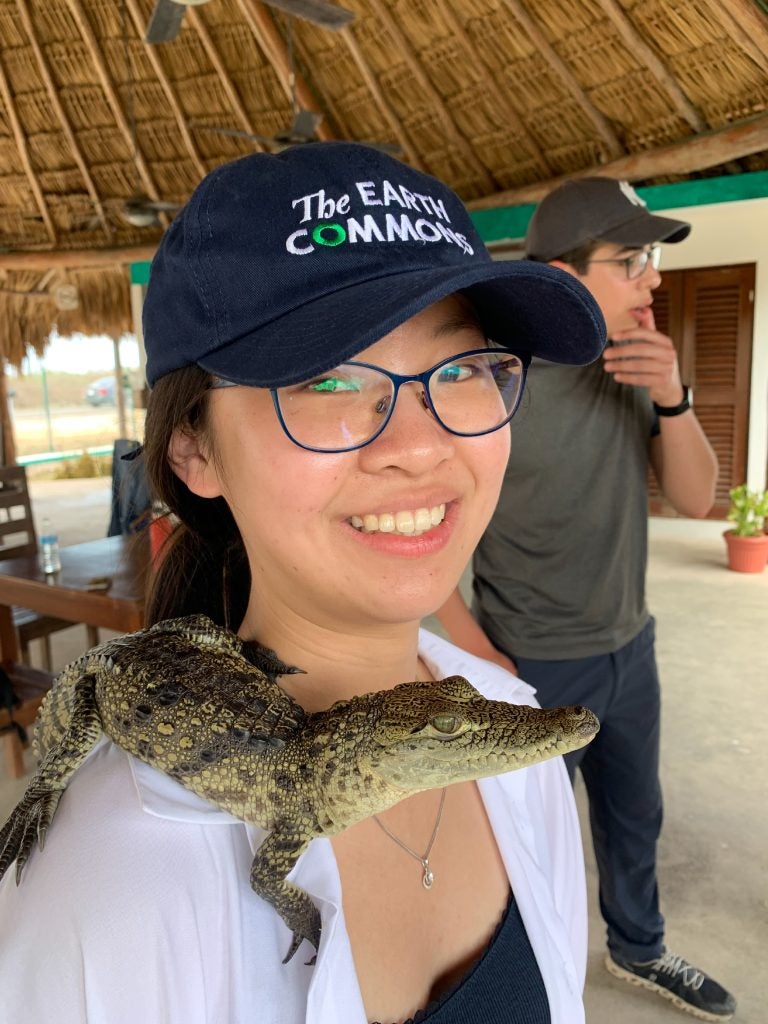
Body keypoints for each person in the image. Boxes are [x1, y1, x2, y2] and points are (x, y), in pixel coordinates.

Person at [0, 144, 607, 1023]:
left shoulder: (513, 740)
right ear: (194, 450)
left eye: (463, 368)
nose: (419, 445)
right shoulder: (113, 886)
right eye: (327, 379)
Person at [436, 177, 737, 1020]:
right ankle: (523, 985)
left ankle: (640, 949)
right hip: (531, 665)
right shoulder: (499, 387)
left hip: (628, 646)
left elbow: (696, 498)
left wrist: (674, 395)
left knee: (634, 813)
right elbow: (432, 533)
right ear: (564, 275)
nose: (653, 279)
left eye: (650, 260)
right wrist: (476, 649)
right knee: (520, 843)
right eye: (631, 260)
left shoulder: (636, 368)